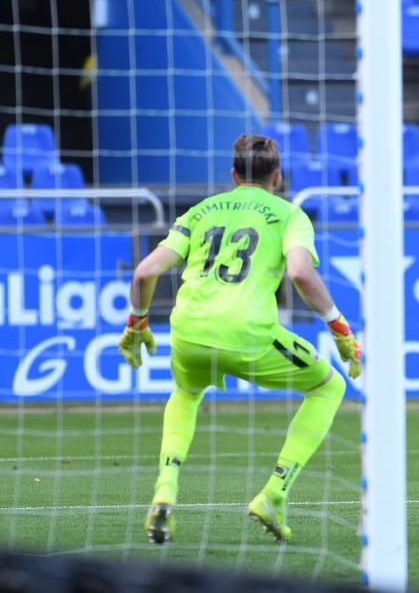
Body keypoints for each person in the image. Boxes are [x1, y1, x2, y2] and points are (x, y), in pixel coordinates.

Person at [118, 135, 362, 544]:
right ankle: (274, 494)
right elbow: (301, 274)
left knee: (185, 393)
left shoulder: (201, 211)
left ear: (233, 175)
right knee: (328, 386)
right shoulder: (289, 214)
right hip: (248, 334)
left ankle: (166, 486)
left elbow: (144, 272)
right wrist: (339, 328)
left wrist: (136, 323)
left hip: (189, 331)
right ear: (277, 177)